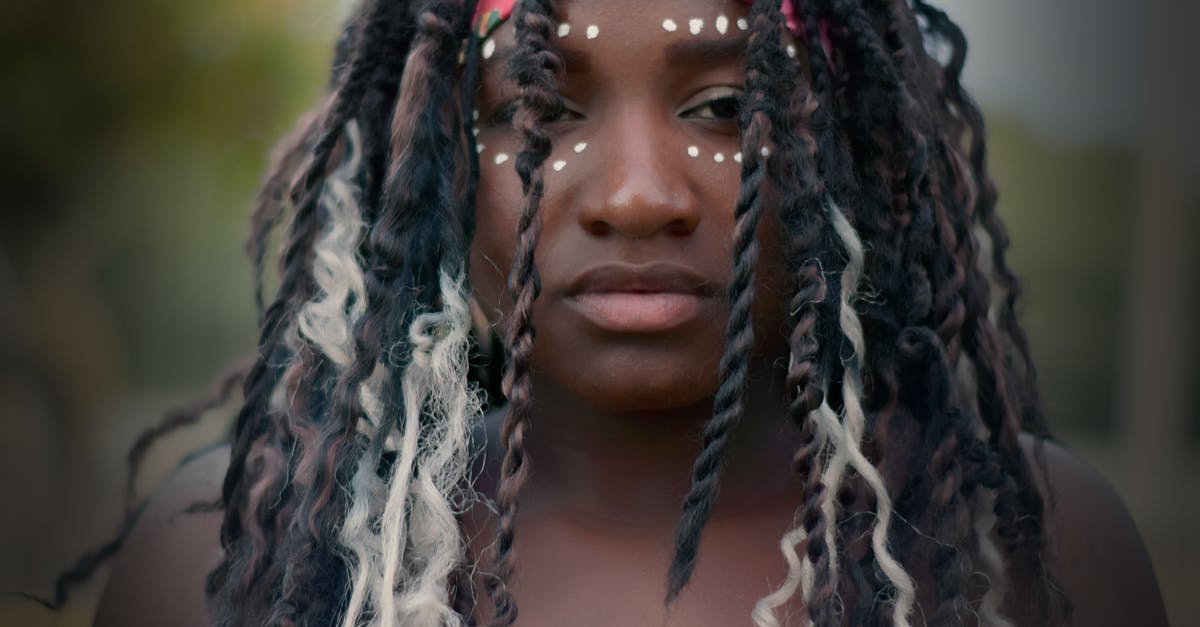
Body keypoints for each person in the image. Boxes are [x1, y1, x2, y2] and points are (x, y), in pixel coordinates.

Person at [89, 0, 1167, 625]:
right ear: (427, 167)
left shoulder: (1026, 557)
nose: (638, 195)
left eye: (730, 108)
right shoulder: (221, 575)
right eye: (537, 110)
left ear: (852, 150)